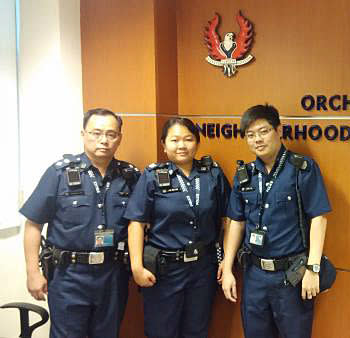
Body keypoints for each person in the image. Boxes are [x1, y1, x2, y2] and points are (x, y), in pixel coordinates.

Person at [20, 108, 139, 338]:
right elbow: (33, 224)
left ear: (119, 138)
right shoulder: (60, 173)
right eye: (96, 133)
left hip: (113, 274)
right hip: (69, 276)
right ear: (83, 134)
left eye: (111, 134)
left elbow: (139, 223)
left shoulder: (130, 176)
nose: (103, 140)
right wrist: (33, 272)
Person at [221, 104, 332, 338]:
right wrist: (228, 267)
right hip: (254, 276)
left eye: (263, 131)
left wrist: (313, 269)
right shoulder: (244, 175)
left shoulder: (302, 168)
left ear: (279, 130)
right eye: (250, 135)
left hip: (291, 276)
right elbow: (236, 223)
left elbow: (319, 219)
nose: (257, 140)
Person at [125, 117, 231, 338]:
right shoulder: (152, 176)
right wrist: (136, 266)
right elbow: (136, 222)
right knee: (161, 331)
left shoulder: (212, 174)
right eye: (174, 140)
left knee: (197, 330)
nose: (182, 145)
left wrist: (226, 261)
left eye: (188, 139)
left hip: (203, 268)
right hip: (164, 271)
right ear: (164, 145)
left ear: (197, 143)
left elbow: (228, 220)